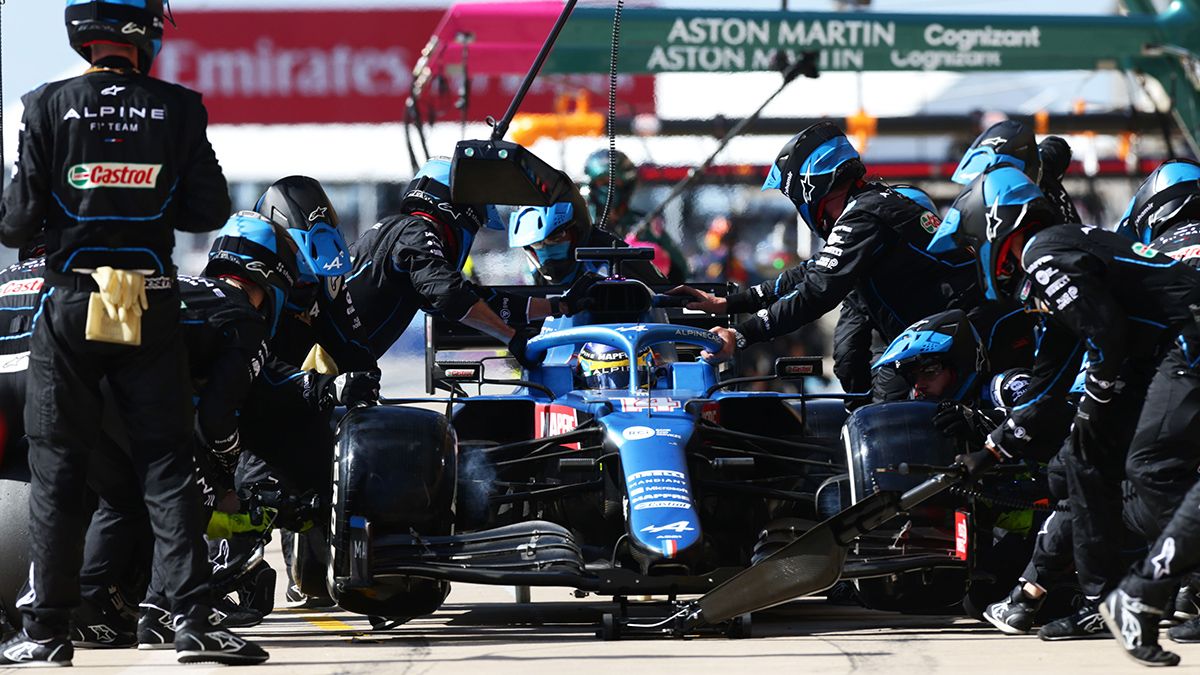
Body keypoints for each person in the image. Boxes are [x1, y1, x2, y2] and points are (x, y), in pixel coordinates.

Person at [0, 0, 267, 666]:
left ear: (82, 30)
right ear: (143, 32)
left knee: (57, 470)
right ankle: (193, 622)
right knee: (166, 464)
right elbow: (208, 207)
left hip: (69, 304)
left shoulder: (42, 104)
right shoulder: (179, 108)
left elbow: (14, 221)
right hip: (147, 298)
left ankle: (46, 632)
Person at [931, 163, 1200, 643]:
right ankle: (1107, 602)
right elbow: (1050, 383)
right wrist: (992, 449)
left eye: (974, 245)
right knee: (1083, 464)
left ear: (996, 226)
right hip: (1166, 352)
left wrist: (1097, 398)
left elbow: (1106, 336)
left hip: (1186, 341)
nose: (978, 257)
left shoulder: (1044, 251)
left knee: (1151, 466)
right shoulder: (1054, 258)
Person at [669, 122, 978, 401]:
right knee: (857, 377)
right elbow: (810, 272)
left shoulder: (865, 216)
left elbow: (817, 291)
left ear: (810, 186)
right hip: (945, 338)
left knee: (890, 414)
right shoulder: (869, 209)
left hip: (962, 344)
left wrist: (741, 335)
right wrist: (729, 304)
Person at [346, 158, 594, 366]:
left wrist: (559, 306)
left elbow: (479, 302)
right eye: (475, 223)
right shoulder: (413, 229)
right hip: (320, 367)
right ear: (458, 208)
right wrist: (511, 338)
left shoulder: (399, 238)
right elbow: (450, 295)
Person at [582, 149, 688, 283]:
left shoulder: (645, 223)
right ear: (591, 184)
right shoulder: (582, 222)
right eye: (603, 182)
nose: (609, 188)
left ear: (627, 185)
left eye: (616, 182)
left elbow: (680, 271)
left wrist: (645, 255)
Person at [508, 201, 663, 286]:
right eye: (537, 244)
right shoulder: (530, 277)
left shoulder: (611, 258)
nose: (547, 248)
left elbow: (666, 300)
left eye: (556, 237)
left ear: (576, 232)